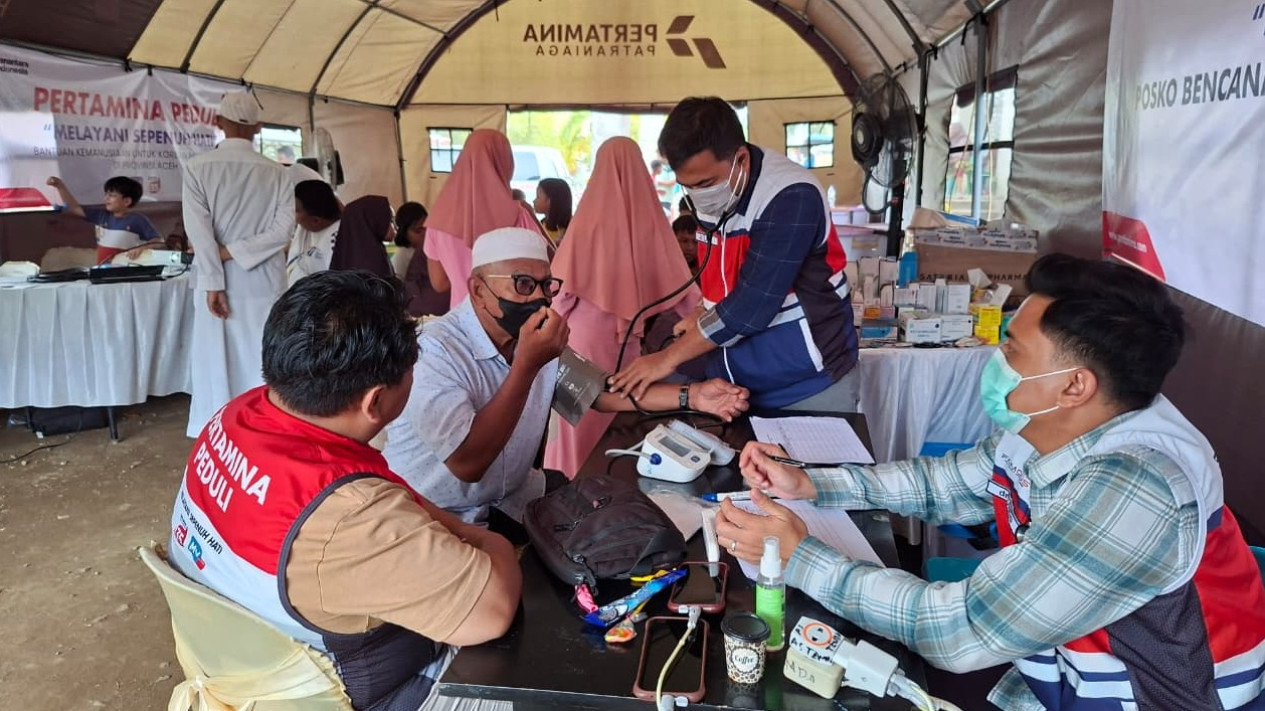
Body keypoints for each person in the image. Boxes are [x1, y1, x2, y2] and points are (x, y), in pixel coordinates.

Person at [717, 254, 1265, 711]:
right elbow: (948, 483)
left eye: (1012, 350)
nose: (997, 360)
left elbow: (958, 633)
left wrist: (799, 557)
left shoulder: (1136, 487)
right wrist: (813, 485)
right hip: (1048, 662)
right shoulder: (1056, 421)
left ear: (1075, 385)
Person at [169, 271, 517, 711]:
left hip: (240, 659)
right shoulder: (349, 516)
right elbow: (491, 611)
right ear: (375, 402)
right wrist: (493, 542)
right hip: (353, 693)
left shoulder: (237, 414)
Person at [383, 227, 748, 526]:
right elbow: (468, 463)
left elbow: (601, 392)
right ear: (478, 290)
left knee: (622, 522)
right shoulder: (435, 351)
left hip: (512, 496)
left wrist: (693, 395)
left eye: (546, 286)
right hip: (437, 514)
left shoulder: (530, 338)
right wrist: (527, 365)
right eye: (523, 284)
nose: (539, 298)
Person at [612, 97, 859, 413]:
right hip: (736, 385)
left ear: (740, 158)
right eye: (688, 186)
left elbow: (751, 307)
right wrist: (702, 311)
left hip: (808, 383)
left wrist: (666, 359)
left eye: (705, 183)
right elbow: (719, 273)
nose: (699, 195)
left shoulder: (791, 197)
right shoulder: (713, 194)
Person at [544, 137, 701, 475]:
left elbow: (559, 297)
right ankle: (611, 488)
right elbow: (687, 295)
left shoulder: (585, 222)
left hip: (580, 341)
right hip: (629, 343)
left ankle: (568, 484)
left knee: (577, 426)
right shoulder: (653, 222)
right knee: (621, 419)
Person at [183, 91, 296, 437]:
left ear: (218, 122)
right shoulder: (278, 173)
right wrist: (232, 252)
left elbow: (198, 231)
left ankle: (221, 432)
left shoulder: (197, 168)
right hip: (264, 282)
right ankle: (266, 426)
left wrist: (214, 279)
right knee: (262, 354)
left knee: (217, 357)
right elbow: (283, 232)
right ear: (258, 127)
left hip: (217, 283)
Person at [424, 129, 543, 309]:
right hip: (512, 317)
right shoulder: (519, 216)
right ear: (506, 163)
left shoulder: (437, 220)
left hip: (462, 316)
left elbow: (440, 284)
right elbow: (547, 269)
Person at [46, 175, 162, 263]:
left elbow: (159, 241)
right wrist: (60, 186)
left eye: (112, 195)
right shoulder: (101, 216)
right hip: (102, 271)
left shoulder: (137, 220)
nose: (106, 198)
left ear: (126, 201)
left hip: (125, 273)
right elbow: (75, 208)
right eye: (106, 194)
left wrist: (142, 248)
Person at [393, 202, 449, 318]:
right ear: (404, 233)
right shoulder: (402, 256)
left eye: (427, 229)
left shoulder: (433, 248)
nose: (425, 234)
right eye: (418, 231)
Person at [286, 180, 341, 287]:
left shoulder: (335, 243)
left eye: (296, 210)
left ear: (316, 221)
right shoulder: (307, 225)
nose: (291, 213)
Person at [328, 195, 394, 279]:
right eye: (390, 220)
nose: (394, 227)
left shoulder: (348, 255)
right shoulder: (371, 263)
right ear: (373, 220)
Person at [533, 177, 572, 245]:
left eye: (538, 197)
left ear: (550, 200)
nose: (534, 201)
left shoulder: (572, 226)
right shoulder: (540, 225)